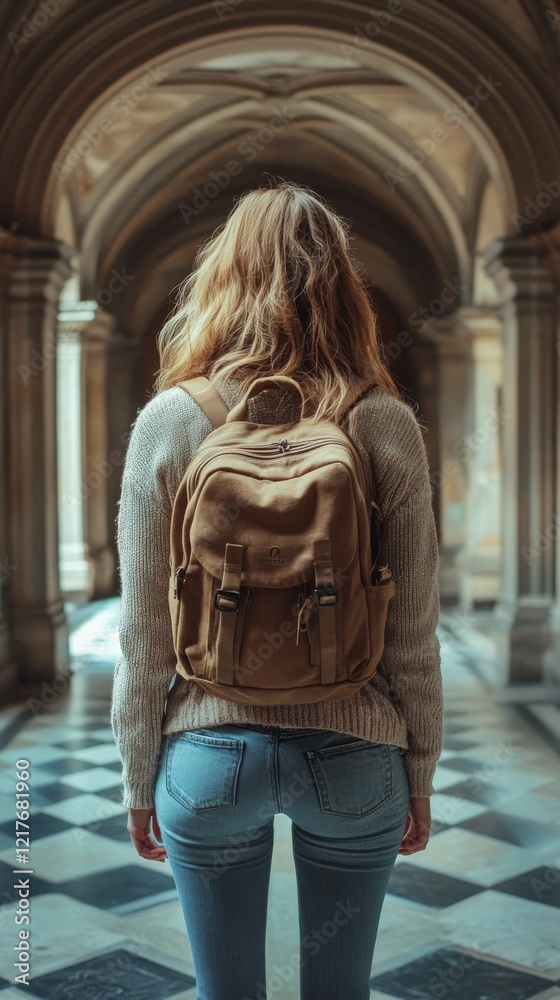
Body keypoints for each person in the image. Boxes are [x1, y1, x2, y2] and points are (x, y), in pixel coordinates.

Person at [110, 179, 443, 1000]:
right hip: (357, 754)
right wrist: (421, 772)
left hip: (208, 754)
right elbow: (412, 634)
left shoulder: (171, 421)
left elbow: (144, 634)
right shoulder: (383, 422)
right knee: (339, 992)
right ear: (343, 288)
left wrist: (137, 775)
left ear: (221, 279)